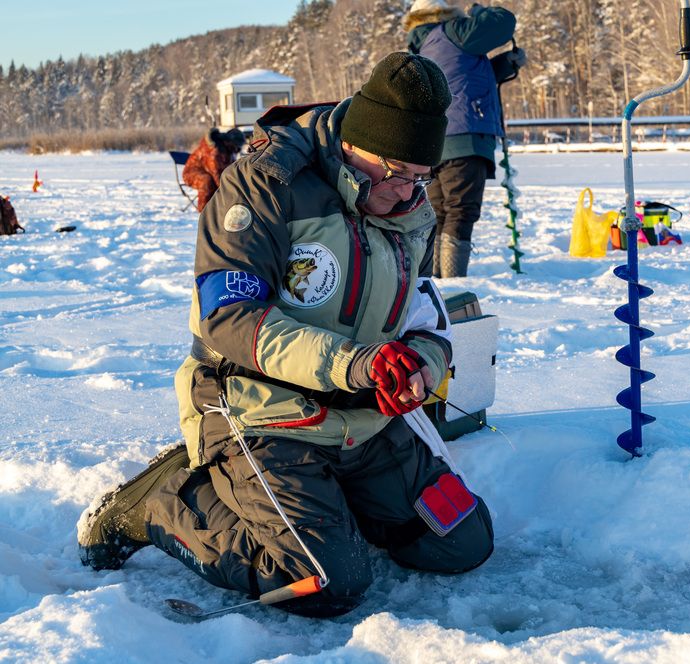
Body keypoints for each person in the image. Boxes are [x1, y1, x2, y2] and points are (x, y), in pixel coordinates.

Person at [78, 52, 494, 618]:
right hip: (260, 406)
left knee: (461, 540)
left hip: (364, 414)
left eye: (422, 178)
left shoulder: (408, 203)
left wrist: (417, 361)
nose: (409, 195)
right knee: (325, 581)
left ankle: (324, 507)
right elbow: (231, 319)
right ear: (358, 145)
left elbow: (423, 312)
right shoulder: (264, 187)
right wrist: (357, 363)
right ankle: (163, 500)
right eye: (397, 174)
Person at [405, 0, 525, 277]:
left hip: (432, 143)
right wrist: (480, 12)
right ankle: (453, 278)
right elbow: (503, 22)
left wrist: (505, 64)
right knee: (461, 209)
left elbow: (459, 76)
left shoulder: (421, 47)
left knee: (440, 211)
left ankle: (437, 278)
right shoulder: (454, 32)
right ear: (445, 14)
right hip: (464, 137)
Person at [182, 127, 246, 212]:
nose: (237, 150)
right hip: (191, 174)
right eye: (236, 146)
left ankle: (219, 209)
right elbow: (217, 175)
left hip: (210, 173)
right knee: (207, 181)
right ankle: (204, 212)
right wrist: (230, 191)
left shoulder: (229, 150)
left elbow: (231, 171)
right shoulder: (214, 151)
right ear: (230, 142)